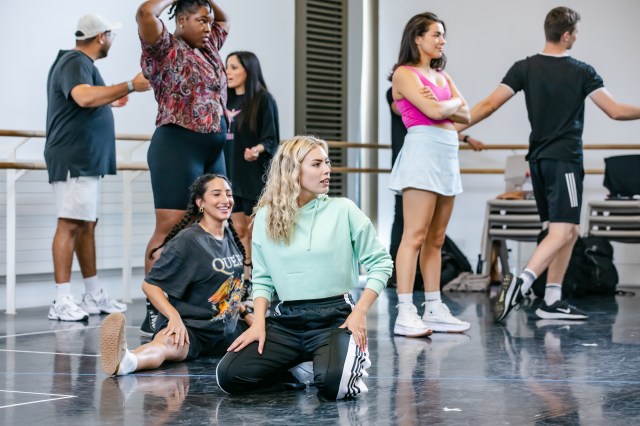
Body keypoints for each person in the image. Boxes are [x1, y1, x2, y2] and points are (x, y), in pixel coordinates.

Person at [457, 6, 640, 322]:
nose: (576, 39)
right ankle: (522, 283)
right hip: (565, 162)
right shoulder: (582, 71)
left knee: (566, 233)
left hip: (539, 163)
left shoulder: (524, 68)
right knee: (564, 228)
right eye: (576, 34)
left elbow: (488, 105)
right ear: (567, 35)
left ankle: (552, 299)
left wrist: (455, 128)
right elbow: (616, 111)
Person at [216, 136, 393, 400]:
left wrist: (359, 312)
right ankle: (298, 373)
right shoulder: (265, 216)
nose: (327, 170)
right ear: (293, 171)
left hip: (335, 318)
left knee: (335, 387)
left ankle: (328, 364)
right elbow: (263, 278)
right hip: (287, 320)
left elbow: (381, 264)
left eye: (327, 163)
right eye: (317, 164)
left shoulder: (343, 209)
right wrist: (258, 324)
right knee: (229, 376)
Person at [45, 14, 151, 322]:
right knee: (69, 224)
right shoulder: (75, 61)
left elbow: (87, 100)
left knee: (86, 225)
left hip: (86, 159)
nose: (112, 41)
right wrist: (130, 85)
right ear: (101, 37)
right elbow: (82, 96)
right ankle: (61, 299)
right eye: (111, 36)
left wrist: (109, 100)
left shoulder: (81, 65)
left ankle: (92, 293)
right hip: (74, 159)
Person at [136, 0, 230, 335]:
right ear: (180, 20)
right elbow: (146, 13)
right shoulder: (164, 47)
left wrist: (206, 3)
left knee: (209, 222)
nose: (208, 26)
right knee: (171, 226)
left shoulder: (210, 46)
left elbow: (224, 19)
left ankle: (192, 300)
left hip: (213, 145)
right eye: (200, 20)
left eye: (208, 21)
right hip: (178, 144)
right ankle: (153, 307)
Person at [99, 174, 253, 375]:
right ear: (201, 203)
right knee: (164, 346)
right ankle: (127, 361)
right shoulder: (188, 240)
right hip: (192, 329)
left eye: (228, 194)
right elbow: (150, 285)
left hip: (226, 332)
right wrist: (174, 318)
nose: (225, 200)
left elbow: (229, 288)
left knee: (274, 333)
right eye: (216, 194)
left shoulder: (229, 236)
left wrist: (247, 315)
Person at [388, 12, 471, 337]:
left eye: (443, 35)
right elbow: (440, 111)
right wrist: (449, 103)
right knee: (415, 236)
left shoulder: (441, 75)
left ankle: (434, 307)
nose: (442, 40)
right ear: (417, 38)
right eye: (435, 34)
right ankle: (405, 309)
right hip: (422, 152)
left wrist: (445, 103)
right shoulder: (403, 74)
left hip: (447, 154)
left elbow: (466, 112)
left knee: (436, 239)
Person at [386, 87, 485, 286]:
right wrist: (438, 104)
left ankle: (431, 298)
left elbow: (442, 120)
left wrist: (464, 135)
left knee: (433, 235)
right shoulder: (396, 90)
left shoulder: (434, 90)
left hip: (433, 161)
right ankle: (396, 278)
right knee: (406, 225)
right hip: (411, 162)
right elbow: (409, 111)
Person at [224, 51, 280, 282]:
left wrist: (256, 150)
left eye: (234, 67)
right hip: (229, 173)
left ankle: (260, 280)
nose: (228, 72)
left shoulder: (264, 100)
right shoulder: (223, 100)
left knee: (254, 229)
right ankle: (244, 278)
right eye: (227, 67)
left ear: (249, 70)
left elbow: (271, 139)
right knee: (238, 229)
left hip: (254, 175)